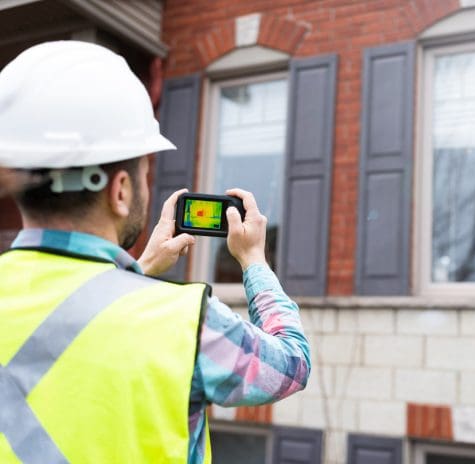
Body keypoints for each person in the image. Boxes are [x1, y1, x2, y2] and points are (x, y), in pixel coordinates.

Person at [0, 41, 310, 463]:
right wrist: (254, 259)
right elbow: (292, 364)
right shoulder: (186, 324)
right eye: (146, 171)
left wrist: (135, 274)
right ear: (121, 191)